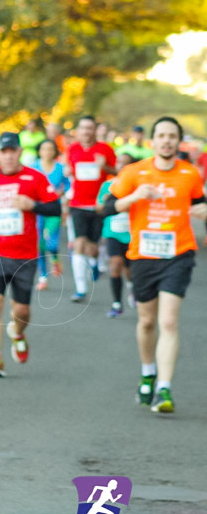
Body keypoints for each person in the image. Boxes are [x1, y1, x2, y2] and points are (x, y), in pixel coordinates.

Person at [103, 116, 207, 413]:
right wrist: (135, 196)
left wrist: (204, 211)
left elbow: (201, 203)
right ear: (153, 141)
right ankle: (148, 371)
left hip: (178, 254)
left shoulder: (190, 174)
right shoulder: (134, 172)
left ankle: (164, 389)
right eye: (161, 135)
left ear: (178, 141)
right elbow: (107, 207)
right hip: (143, 256)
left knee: (169, 322)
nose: (166, 141)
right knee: (147, 321)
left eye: (172, 136)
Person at [0, 132, 61, 377]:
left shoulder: (35, 177)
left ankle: (18, 332)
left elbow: (55, 207)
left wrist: (33, 205)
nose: (8, 156)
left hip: (24, 254)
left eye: (12, 151)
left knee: (21, 311)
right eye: (3, 152)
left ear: (19, 152)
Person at [66, 115, 116, 302]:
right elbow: (68, 170)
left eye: (90, 128)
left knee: (93, 247)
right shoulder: (72, 149)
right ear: (78, 131)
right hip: (77, 204)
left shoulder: (105, 149)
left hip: (99, 204)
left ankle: (94, 263)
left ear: (96, 130)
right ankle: (80, 289)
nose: (86, 131)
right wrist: (67, 172)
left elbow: (119, 173)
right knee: (79, 243)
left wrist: (106, 167)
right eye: (83, 128)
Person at [97, 153, 135, 318]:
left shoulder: (136, 186)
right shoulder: (107, 185)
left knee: (129, 270)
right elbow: (99, 209)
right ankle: (117, 303)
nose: (121, 166)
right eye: (119, 162)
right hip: (113, 232)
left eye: (125, 164)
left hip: (132, 233)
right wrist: (107, 203)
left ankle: (132, 286)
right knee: (115, 263)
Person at [30, 139, 70, 290]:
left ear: (55, 152)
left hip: (54, 209)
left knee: (51, 243)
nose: (47, 152)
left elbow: (68, 184)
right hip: (37, 209)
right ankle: (43, 277)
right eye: (44, 149)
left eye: (50, 149)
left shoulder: (60, 168)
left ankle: (54, 257)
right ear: (39, 151)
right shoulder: (33, 168)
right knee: (39, 243)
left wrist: (62, 192)